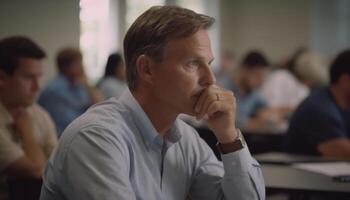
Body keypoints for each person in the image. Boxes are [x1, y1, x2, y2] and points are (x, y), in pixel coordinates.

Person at [40, 6, 265, 200]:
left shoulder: (184, 138)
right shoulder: (95, 137)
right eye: (193, 64)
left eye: (208, 64)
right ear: (147, 69)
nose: (211, 79)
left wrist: (228, 137)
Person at [0, 36, 57, 199]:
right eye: (28, 77)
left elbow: (57, 168)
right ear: (2, 78)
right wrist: (27, 131)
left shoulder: (39, 114)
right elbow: (36, 172)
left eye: (38, 77)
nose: (37, 87)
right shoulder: (30, 117)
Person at [287, 49, 350, 157]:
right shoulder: (319, 109)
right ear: (345, 81)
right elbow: (345, 152)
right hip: (303, 173)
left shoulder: (342, 105)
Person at [38, 48, 103, 136]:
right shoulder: (55, 90)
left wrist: (87, 85)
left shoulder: (78, 84)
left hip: (79, 131)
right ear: (65, 67)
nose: (82, 67)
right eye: (78, 63)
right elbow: (69, 124)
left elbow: (100, 106)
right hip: (64, 137)